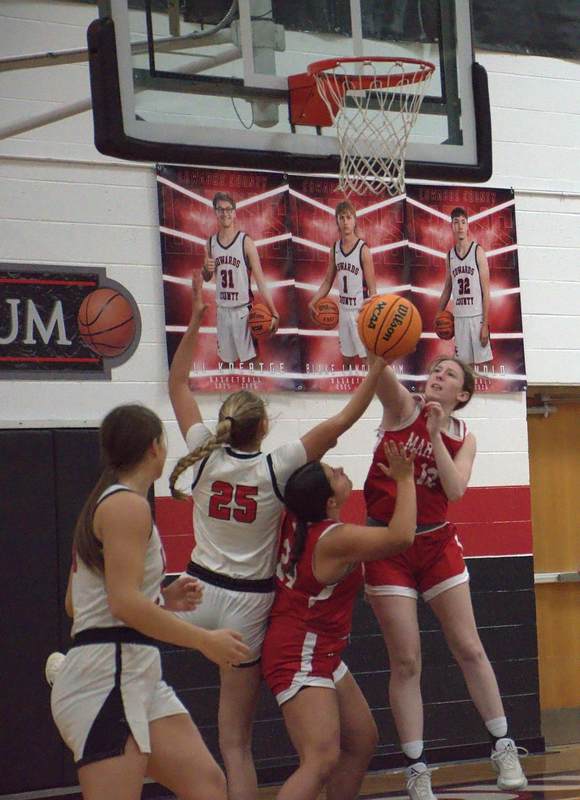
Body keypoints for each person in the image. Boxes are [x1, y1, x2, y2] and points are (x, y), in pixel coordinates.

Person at [168, 270, 391, 800]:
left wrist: (196, 321)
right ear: (263, 427)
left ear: (225, 422)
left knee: (129, 630)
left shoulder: (201, 453)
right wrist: (377, 367)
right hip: (247, 606)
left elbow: (177, 385)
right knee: (237, 744)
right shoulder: (277, 465)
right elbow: (343, 420)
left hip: (193, 592)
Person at [49, 403, 251, 800]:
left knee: (208, 786)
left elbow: (79, 603)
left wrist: (160, 598)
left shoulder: (108, 502)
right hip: (107, 678)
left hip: (134, 673)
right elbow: (122, 604)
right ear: (155, 447)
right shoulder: (127, 505)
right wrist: (204, 640)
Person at [363, 356, 527, 800]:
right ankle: (417, 769)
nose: (438, 375)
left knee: (469, 647)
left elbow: (454, 490)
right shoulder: (404, 408)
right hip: (387, 543)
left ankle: (503, 746)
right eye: (435, 369)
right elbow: (380, 377)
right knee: (407, 661)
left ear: (463, 394)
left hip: (435, 542)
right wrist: (376, 345)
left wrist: (435, 434)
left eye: (449, 373)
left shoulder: (464, 437)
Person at [261, 443, 417, 800]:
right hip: (299, 653)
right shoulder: (335, 539)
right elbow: (401, 536)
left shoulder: (296, 515)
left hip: (319, 649)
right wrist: (405, 479)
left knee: (361, 741)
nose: (341, 470)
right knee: (320, 759)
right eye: (334, 474)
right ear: (329, 502)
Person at [202, 191, 280, 368]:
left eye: (228, 209)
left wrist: (273, 311)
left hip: (243, 312)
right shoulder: (210, 243)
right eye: (220, 209)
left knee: (252, 363)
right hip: (223, 311)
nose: (225, 213)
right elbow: (207, 277)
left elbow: (260, 281)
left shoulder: (245, 242)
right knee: (226, 364)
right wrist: (206, 269)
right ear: (215, 212)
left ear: (234, 212)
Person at [308, 200, 376, 368]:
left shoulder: (363, 250)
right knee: (346, 359)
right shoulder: (335, 249)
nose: (345, 222)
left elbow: (373, 290)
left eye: (349, 217)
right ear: (337, 221)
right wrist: (313, 301)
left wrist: (371, 315)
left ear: (355, 220)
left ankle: (373, 386)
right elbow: (327, 281)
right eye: (341, 218)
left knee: (367, 360)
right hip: (343, 311)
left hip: (360, 311)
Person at [436, 207, 493, 367]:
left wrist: (485, 324)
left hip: (477, 318)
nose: (460, 226)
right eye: (456, 222)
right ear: (452, 226)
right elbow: (447, 288)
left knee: (483, 367)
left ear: (467, 226)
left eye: (463, 222)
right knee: (463, 368)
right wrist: (438, 314)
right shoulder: (450, 256)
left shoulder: (478, 252)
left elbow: (486, 292)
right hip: (459, 319)